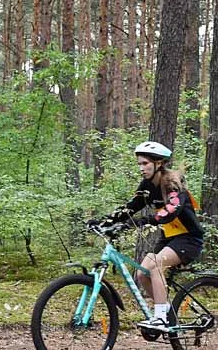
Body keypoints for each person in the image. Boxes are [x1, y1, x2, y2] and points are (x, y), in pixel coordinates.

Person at [88, 141, 205, 332]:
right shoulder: (147, 186)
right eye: (139, 164)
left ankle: (160, 317)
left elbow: (172, 210)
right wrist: (104, 222)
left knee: (156, 265)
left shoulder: (173, 184)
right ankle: (167, 312)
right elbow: (129, 208)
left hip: (189, 239)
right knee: (142, 273)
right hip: (169, 239)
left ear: (158, 163)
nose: (141, 168)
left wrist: (146, 220)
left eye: (145, 164)